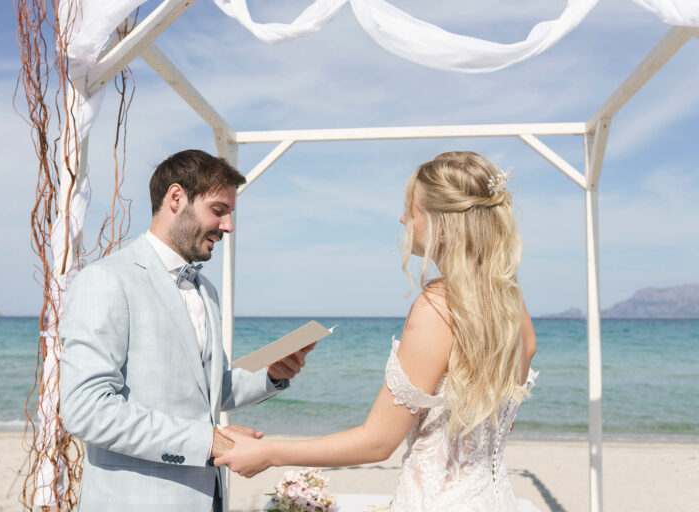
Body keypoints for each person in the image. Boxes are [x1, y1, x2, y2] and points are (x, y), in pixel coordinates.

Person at [215, 151, 539, 511]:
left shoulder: (437, 308)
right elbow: (497, 428)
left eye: (412, 209)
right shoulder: (513, 305)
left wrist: (269, 453)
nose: (402, 219)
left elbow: (377, 442)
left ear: (442, 224)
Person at [59, 149, 315, 512]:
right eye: (218, 210)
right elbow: (87, 410)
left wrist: (271, 374)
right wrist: (209, 441)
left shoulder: (205, 290)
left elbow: (208, 391)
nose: (228, 226)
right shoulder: (106, 280)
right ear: (176, 198)